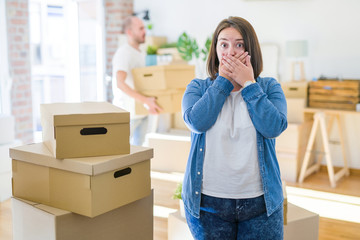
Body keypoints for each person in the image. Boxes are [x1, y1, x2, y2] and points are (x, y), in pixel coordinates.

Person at [181, 16, 288, 240]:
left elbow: (273, 127)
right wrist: (223, 82)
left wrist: (249, 84)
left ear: (250, 50)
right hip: (207, 206)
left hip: (261, 206)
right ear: (216, 50)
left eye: (239, 44)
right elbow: (196, 123)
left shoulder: (268, 87)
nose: (230, 52)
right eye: (224, 44)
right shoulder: (197, 88)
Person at [112, 16, 162, 146]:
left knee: (138, 154)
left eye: (144, 28)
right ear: (129, 32)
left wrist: (148, 103)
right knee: (120, 151)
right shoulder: (124, 53)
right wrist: (145, 100)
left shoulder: (140, 53)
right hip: (127, 114)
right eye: (140, 28)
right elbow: (120, 84)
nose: (144, 31)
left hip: (141, 112)